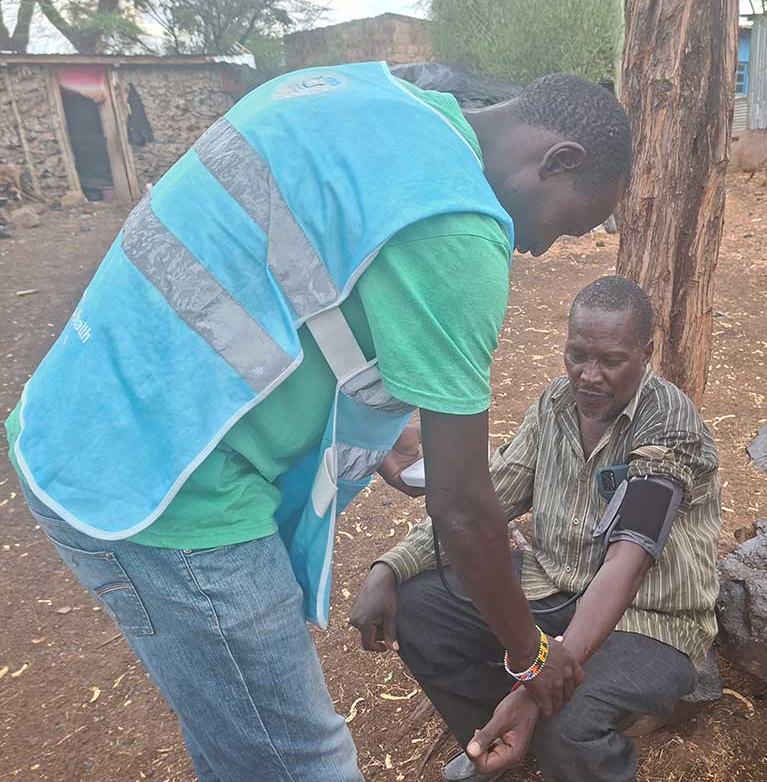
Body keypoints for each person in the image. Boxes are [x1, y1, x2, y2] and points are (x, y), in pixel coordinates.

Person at [5, 65, 632, 781]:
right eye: (565, 224)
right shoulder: (458, 225)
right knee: (304, 761)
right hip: (167, 492)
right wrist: (531, 656)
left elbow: (282, 290)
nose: (541, 249)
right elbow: (462, 507)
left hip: (76, 423)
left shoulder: (350, 94)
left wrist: (381, 433)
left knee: (239, 743)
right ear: (559, 161)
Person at [351, 276, 723, 782]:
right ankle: (496, 742)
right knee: (419, 609)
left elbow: (628, 563)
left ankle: (542, 726)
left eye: (611, 361)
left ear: (646, 353)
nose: (589, 376)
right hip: (552, 591)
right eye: (577, 356)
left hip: (650, 620)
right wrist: (389, 566)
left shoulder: (669, 424)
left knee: (569, 722)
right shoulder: (554, 407)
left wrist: (536, 682)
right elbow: (485, 497)